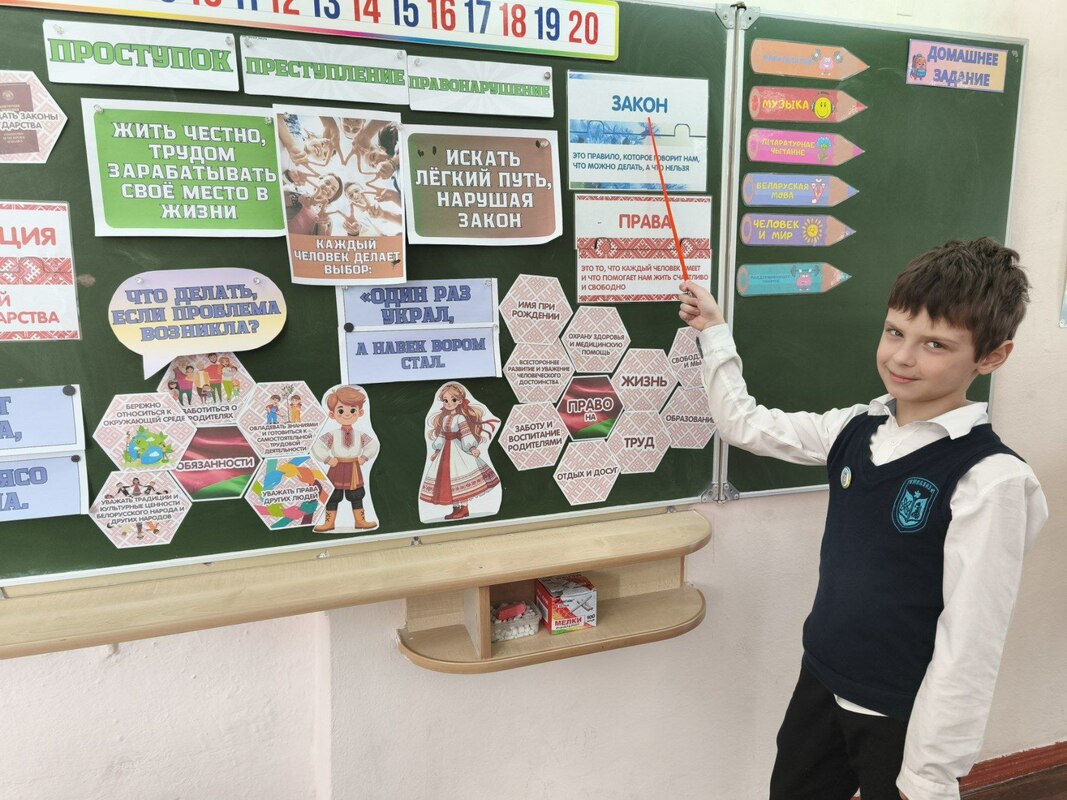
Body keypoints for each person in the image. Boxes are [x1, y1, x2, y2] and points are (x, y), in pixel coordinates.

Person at [678, 238, 1047, 800]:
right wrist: (714, 332)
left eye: (935, 344)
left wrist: (928, 776)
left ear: (992, 357)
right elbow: (745, 425)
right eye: (895, 332)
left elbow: (971, 641)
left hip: (901, 713)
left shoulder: (992, 480)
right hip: (822, 679)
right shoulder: (855, 427)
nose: (902, 358)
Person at [418, 382, 500, 521]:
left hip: (458, 450)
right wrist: (437, 450)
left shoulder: (460, 417)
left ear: (460, 401)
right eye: (446, 400)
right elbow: (441, 435)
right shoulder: (445, 418)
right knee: (448, 479)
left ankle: (464, 508)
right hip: (445, 452)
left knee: (458, 476)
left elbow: (466, 433)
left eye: (453, 400)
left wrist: (472, 448)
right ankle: (456, 508)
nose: (449, 403)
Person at [311, 386, 379, 532]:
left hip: (353, 468)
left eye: (352, 410)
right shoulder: (333, 434)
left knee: (356, 494)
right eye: (341, 411)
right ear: (332, 414)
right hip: (336, 467)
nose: (347, 414)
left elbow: (373, 445)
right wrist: (327, 459)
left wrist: (364, 457)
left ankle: (360, 521)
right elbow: (317, 445)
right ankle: (329, 523)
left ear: (360, 412)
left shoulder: (360, 434)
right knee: (333, 494)